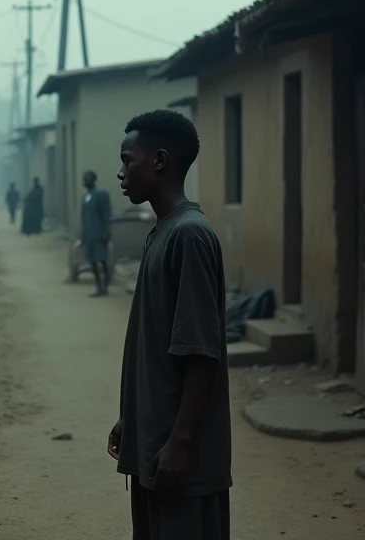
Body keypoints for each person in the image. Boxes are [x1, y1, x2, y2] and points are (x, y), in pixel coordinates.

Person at [107, 110, 231, 540]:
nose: (121, 172)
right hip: (153, 441)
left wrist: (180, 442)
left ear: (159, 161)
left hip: (179, 456)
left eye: (128, 160)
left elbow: (199, 349)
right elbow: (157, 342)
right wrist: (132, 418)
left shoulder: (190, 236)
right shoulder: (163, 231)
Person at [80, 170, 112, 297]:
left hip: (99, 234)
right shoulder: (85, 197)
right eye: (84, 179)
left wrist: (106, 232)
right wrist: (83, 234)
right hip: (89, 235)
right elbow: (83, 217)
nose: (85, 182)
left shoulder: (101, 194)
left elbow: (106, 214)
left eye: (87, 179)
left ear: (93, 180)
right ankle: (99, 286)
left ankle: (105, 286)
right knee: (92, 261)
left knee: (102, 260)